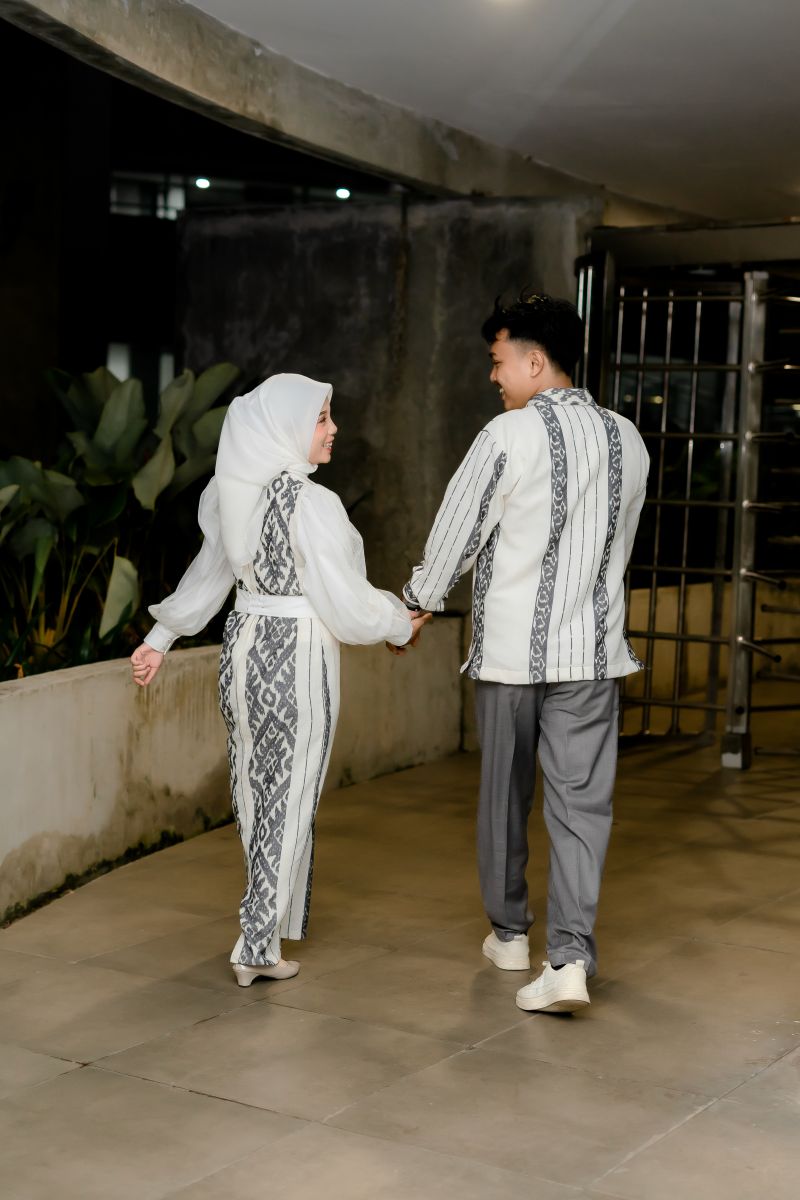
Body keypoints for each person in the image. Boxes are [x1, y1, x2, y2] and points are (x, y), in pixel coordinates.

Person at [130, 374, 429, 987]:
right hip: (298, 655)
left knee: (254, 792)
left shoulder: (235, 493)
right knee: (290, 799)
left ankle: (264, 931)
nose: (333, 429)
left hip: (242, 651)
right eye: (321, 417)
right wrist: (400, 624)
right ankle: (256, 945)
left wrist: (159, 639)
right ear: (286, 428)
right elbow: (343, 599)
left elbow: (209, 576)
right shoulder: (312, 504)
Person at [400, 292, 649, 1014]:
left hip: (512, 655)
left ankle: (510, 935)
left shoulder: (507, 435)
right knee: (582, 810)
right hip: (593, 656)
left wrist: (417, 602)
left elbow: (458, 530)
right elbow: (619, 546)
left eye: (498, 360)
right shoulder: (628, 439)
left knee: (503, 798)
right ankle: (568, 959)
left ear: (535, 362)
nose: (493, 376)